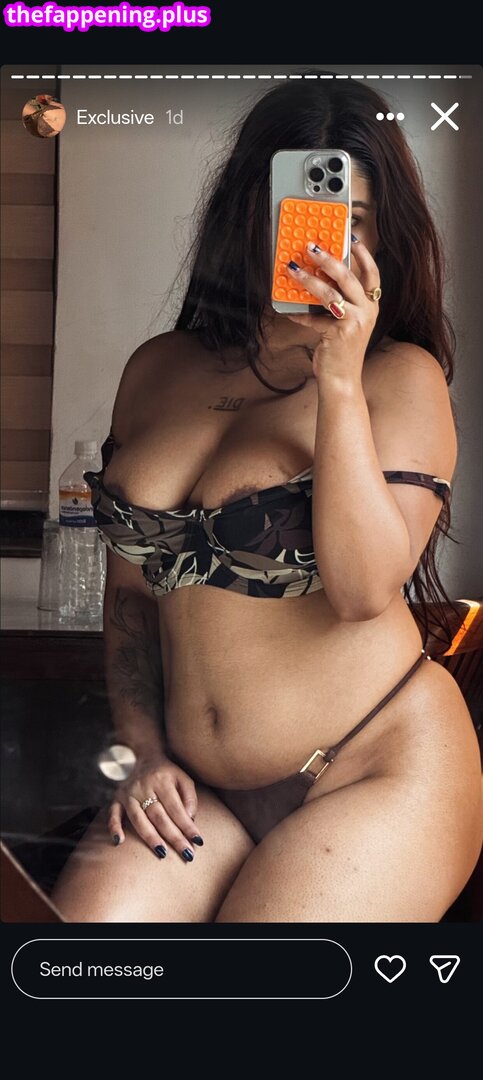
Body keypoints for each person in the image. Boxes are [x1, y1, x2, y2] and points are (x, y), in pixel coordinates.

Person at [51, 77, 482, 923]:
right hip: (196, 784)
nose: (326, 243)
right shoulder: (158, 369)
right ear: (248, 212)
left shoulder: (401, 378)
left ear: (383, 235)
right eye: (302, 212)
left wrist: (338, 383)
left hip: (373, 766)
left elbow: (363, 591)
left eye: (354, 220)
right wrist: (142, 752)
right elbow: (132, 598)